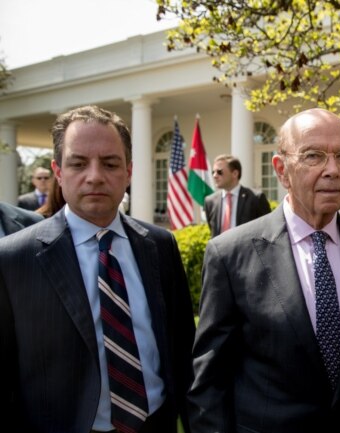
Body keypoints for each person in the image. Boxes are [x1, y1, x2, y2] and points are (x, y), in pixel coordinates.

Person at [0, 105, 196, 433]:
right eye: (78, 163)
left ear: (129, 170)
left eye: (110, 163)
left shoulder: (161, 246)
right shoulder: (14, 259)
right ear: (58, 172)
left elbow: (182, 351)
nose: (95, 176)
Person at [188, 108, 340, 433]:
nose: (333, 170)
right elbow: (210, 380)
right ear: (281, 170)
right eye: (313, 156)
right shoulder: (231, 254)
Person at [203, 154, 271, 237]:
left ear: (235, 173)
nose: (215, 176)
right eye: (213, 172)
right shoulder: (210, 201)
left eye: (219, 172)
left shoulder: (256, 198)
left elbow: (267, 230)